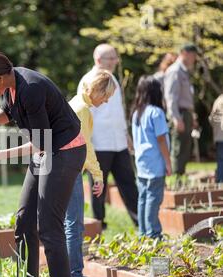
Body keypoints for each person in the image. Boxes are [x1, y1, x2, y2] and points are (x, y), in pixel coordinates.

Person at [0, 49, 86, 277]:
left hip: (65, 152)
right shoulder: (12, 83)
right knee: (24, 220)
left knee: (49, 225)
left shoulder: (30, 88)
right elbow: (9, 112)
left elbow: (41, 143)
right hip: (46, 151)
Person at [78, 43, 138, 229]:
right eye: (110, 58)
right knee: (98, 187)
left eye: (115, 57)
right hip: (99, 144)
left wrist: (126, 135)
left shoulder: (113, 79)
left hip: (119, 143)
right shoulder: (87, 80)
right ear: (98, 60)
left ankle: (140, 223)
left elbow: (118, 111)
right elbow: (85, 114)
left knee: (128, 183)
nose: (114, 61)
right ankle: (99, 225)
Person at [65, 70, 116, 277]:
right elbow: (85, 147)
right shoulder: (82, 109)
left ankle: (67, 276)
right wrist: (98, 174)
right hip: (70, 170)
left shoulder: (76, 104)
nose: (105, 101)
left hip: (66, 169)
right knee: (74, 226)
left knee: (70, 225)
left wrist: (97, 173)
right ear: (96, 90)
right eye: (105, 95)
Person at [131, 75, 172, 239]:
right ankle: (153, 233)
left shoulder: (137, 113)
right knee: (154, 199)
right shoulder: (156, 112)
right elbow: (161, 139)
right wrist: (168, 163)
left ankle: (143, 232)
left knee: (143, 197)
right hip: (155, 162)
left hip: (141, 162)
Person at [163, 44, 198, 175]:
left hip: (186, 113)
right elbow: (171, 97)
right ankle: (175, 178)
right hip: (180, 114)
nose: (194, 58)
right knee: (178, 149)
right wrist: (176, 118)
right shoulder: (175, 71)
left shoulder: (184, 71)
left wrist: (192, 116)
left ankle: (180, 176)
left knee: (185, 148)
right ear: (183, 53)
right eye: (192, 55)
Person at [209, 94, 223, 183]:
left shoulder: (218, 100)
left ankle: (220, 181)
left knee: (221, 160)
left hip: (219, 136)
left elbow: (211, 119)